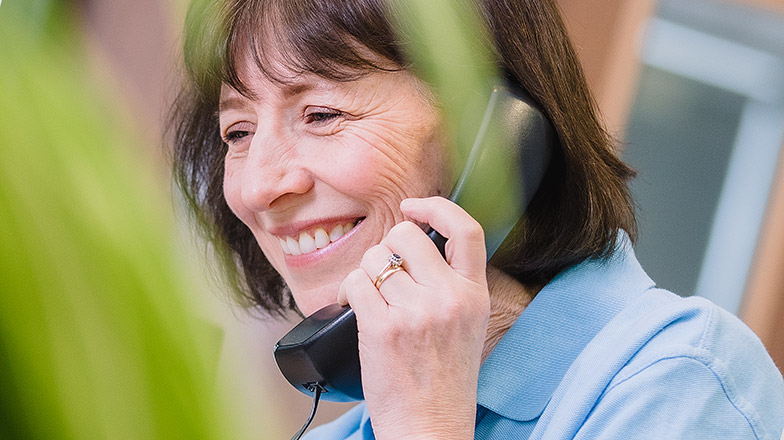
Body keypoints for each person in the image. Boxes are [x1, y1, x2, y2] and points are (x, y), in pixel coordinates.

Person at [170, 0, 784, 438]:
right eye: (239, 131)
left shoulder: (679, 383)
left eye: (323, 114)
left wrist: (426, 427)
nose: (259, 185)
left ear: (494, 140)